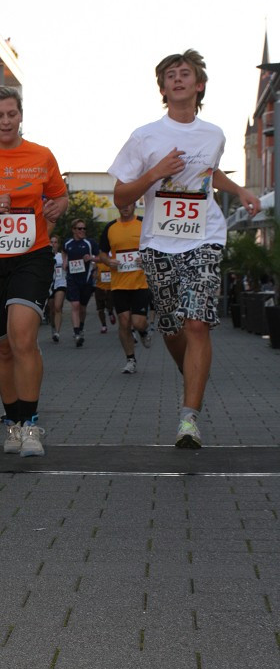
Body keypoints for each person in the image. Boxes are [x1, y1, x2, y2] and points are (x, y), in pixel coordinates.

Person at [109, 49, 261, 447]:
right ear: (162, 88)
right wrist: (155, 173)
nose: (177, 80)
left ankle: (188, 418)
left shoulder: (214, 134)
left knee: (197, 323)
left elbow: (209, 177)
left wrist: (240, 189)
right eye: (170, 75)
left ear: (199, 85)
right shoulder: (145, 136)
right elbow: (119, 193)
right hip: (159, 242)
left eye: (185, 74)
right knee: (173, 328)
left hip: (204, 237)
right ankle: (193, 372)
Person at [0, 87, 68, 457]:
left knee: (23, 337)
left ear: (21, 116)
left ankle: (32, 425)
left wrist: (58, 208)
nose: (6, 121)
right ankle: (13, 422)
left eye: (12, 114)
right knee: (2, 345)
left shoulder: (41, 155)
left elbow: (60, 195)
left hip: (32, 256)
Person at [99, 203, 151, 374]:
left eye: (129, 204)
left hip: (140, 283)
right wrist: (108, 261)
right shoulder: (110, 227)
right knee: (124, 321)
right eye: (123, 204)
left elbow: (155, 247)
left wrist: (146, 259)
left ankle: (143, 331)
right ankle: (130, 359)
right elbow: (102, 254)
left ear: (135, 205)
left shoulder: (144, 223)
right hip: (119, 284)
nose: (125, 207)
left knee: (138, 322)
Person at [63, 220, 99, 347]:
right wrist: (64, 262)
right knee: (75, 305)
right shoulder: (68, 243)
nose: (82, 231)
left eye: (84, 228)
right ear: (73, 230)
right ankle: (76, 333)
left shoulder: (90, 243)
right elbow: (64, 252)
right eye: (79, 228)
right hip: (72, 279)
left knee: (83, 308)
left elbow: (101, 257)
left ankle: (81, 327)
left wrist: (91, 258)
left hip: (86, 280)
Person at [48, 235, 66, 342]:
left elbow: (67, 267)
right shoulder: (46, 257)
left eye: (55, 242)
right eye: (51, 242)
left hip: (61, 283)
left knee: (58, 307)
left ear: (58, 245)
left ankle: (57, 333)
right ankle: (53, 327)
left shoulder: (61, 256)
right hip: (50, 285)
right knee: (52, 310)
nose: (53, 244)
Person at [93, 260, 116, 334]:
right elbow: (93, 272)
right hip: (99, 287)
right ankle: (104, 325)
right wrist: (94, 275)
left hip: (110, 288)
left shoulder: (112, 260)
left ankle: (110, 313)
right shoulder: (97, 262)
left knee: (109, 306)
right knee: (100, 309)